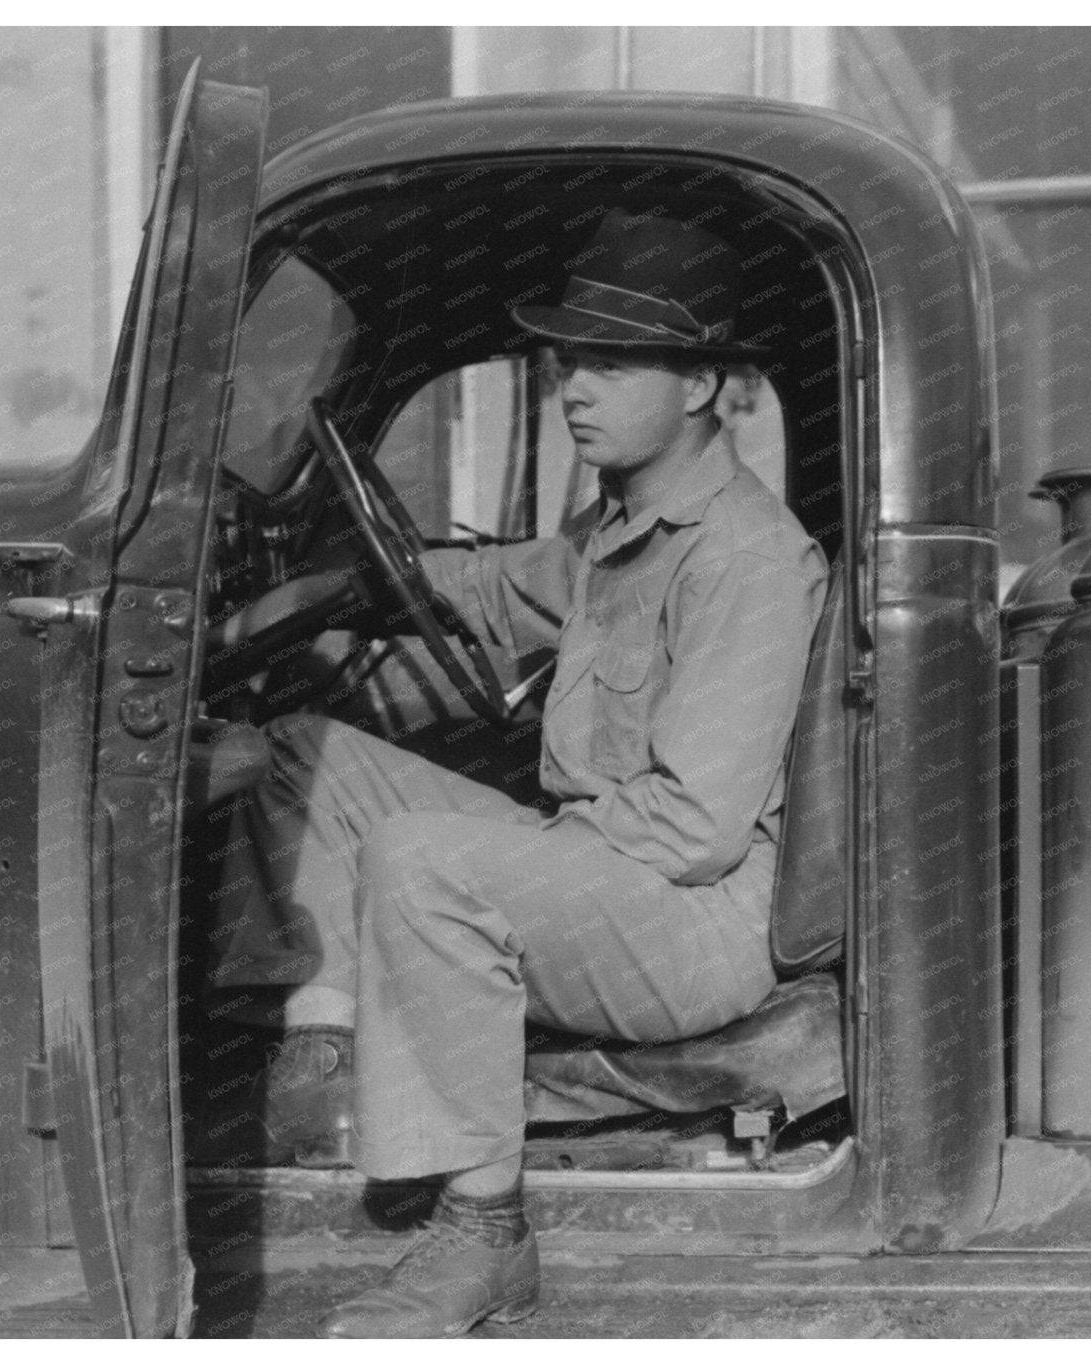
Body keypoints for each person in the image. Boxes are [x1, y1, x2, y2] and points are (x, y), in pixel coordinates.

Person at [209, 209, 827, 1337]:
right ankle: (327, 1058)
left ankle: (483, 1233)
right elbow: (498, 588)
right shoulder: (618, 528)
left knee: (424, 861)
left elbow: (693, 830)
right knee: (306, 755)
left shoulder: (746, 557)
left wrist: (519, 857)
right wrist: (347, 587)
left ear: (698, 385)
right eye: (567, 360)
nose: (573, 388)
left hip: (698, 925)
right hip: (613, 874)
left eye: (611, 364)